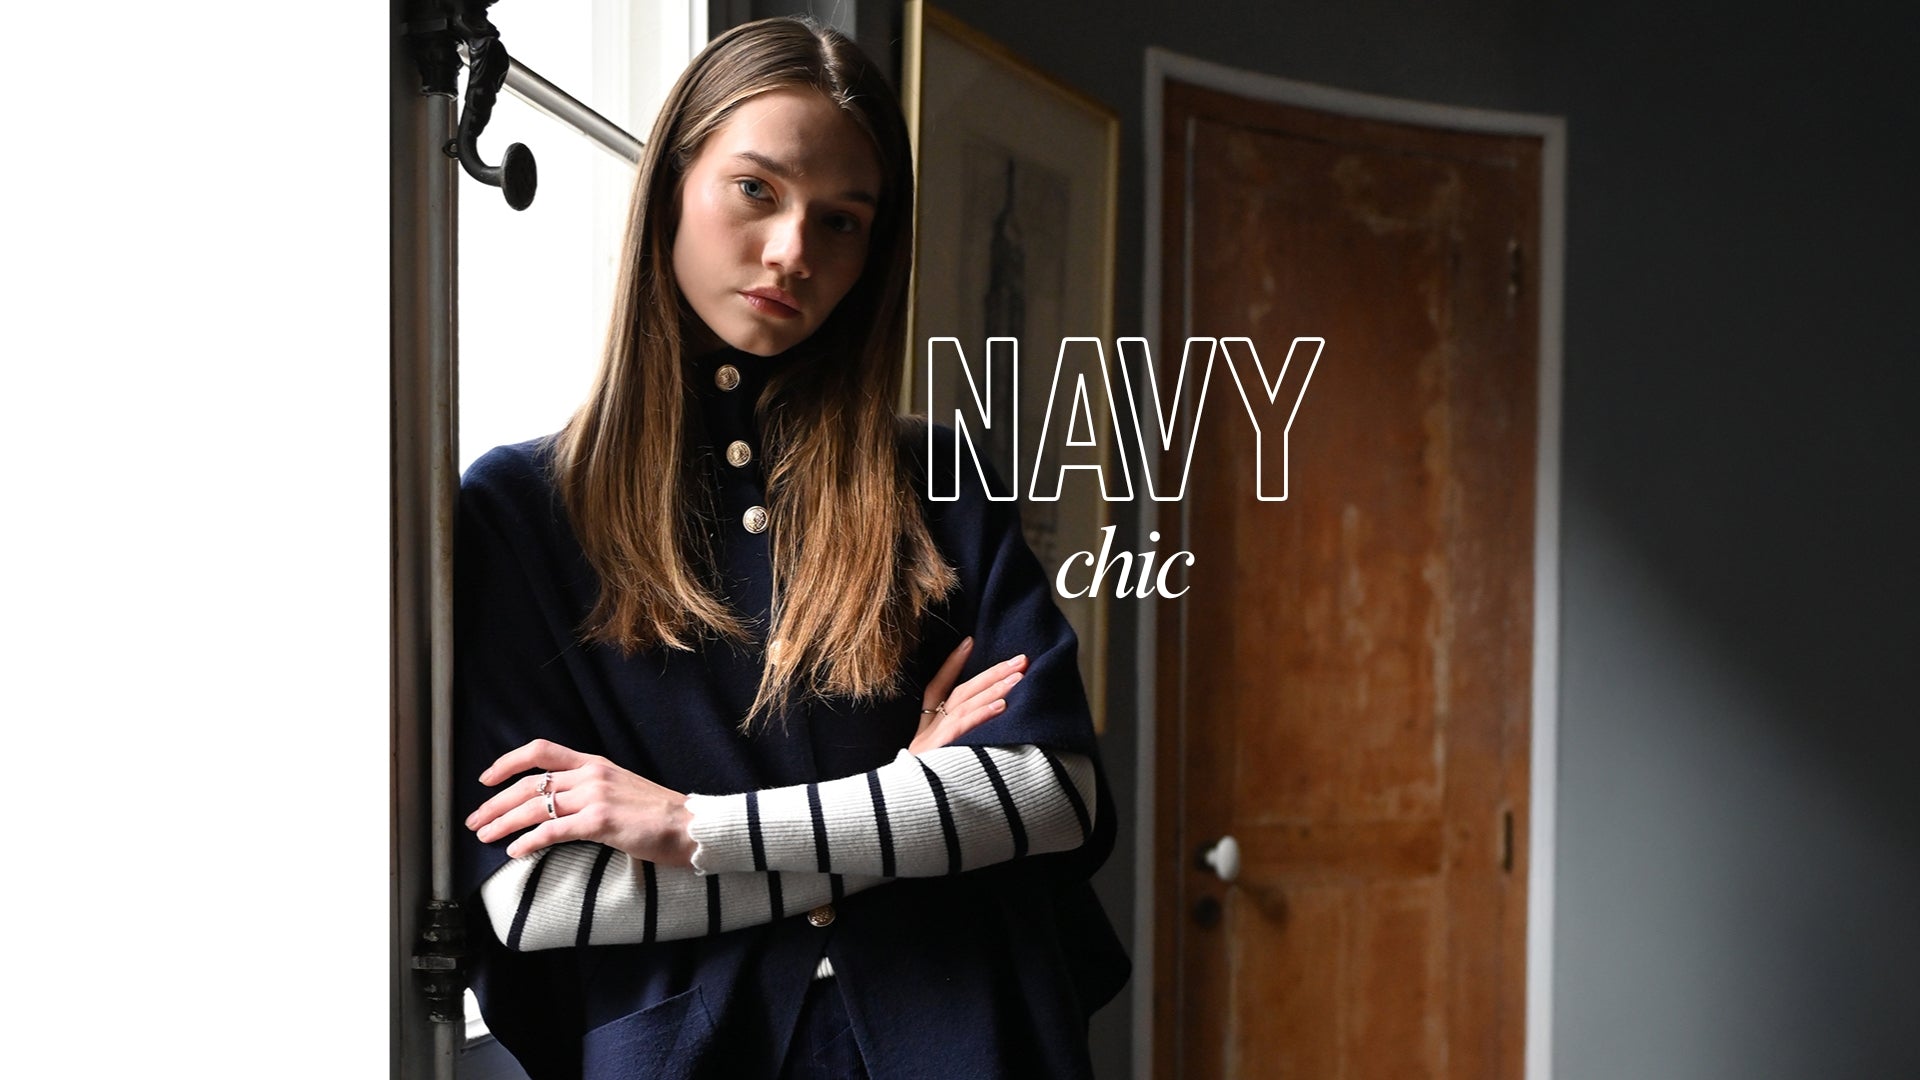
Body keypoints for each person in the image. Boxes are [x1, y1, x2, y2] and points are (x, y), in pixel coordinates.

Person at [454, 16, 1128, 1079]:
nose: (792, 252)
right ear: (671, 186)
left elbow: (1049, 796)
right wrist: (905, 802)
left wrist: (692, 827)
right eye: (755, 189)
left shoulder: (938, 478)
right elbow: (543, 896)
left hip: (970, 1041)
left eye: (843, 221)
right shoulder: (519, 512)